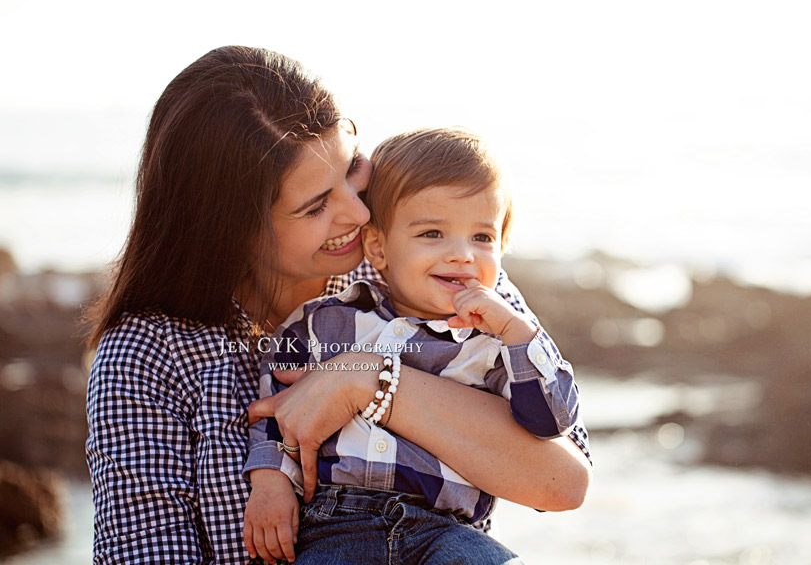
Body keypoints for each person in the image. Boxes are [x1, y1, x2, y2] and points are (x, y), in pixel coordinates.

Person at [85, 46, 591, 565]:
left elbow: (563, 480)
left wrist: (367, 380)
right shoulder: (145, 358)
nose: (357, 210)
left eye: (351, 168)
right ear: (232, 229)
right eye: (316, 205)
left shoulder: (425, 267)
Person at [243, 128, 584, 564]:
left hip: (448, 531)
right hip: (335, 527)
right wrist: (271, 481)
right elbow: (277, 407)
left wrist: (518, 334)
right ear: (379, 247)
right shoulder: (324, 322)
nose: (462, 254)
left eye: (482, 238)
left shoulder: (498, 340)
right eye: (432, 234)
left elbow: (550, 423)